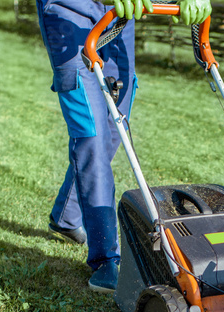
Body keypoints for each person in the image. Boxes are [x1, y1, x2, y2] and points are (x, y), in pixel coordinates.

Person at [36, 0, 211, 292]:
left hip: (119, 13)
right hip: (68, 9)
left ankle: (66, 216)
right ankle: (105, 258)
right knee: (91, 133)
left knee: (116, 126)